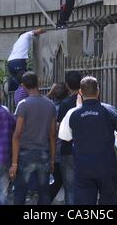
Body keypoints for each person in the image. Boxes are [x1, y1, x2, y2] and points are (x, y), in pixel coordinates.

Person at [58, 76, 117, 205]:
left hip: (83, 168)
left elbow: (65, 137)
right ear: (98, 91)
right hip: (107, 167)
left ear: (81, 92)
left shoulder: (73, 113)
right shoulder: (109, 110)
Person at [10, 72, 56, 205]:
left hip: (25, 154)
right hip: (44, 154)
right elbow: (53, 134)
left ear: (23, 86)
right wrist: (52, 160)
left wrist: (14, 163)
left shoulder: (23, 104)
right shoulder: (50, 105)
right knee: (44, 193)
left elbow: (17, 134)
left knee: (20, 192)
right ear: (38, 83)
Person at [57, 71, 82, 205]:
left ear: (67, 85)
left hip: (68, 149)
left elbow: (59, 127)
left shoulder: (65, 103)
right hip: (85, 149)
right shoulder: (89, 100)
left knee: (70, 188)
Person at [46, 82, 70, 203]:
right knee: (70, 187)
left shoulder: (49, 108)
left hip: (53, 150)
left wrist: (50, 91)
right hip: (66, 149)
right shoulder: (70, 107)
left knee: (53, 184)